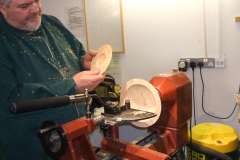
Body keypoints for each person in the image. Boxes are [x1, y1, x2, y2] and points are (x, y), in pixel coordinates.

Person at [0, 0, 106, 159]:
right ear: (3, 8)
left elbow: (75, 55)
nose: (35, 9)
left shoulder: (52, 23)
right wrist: (71, 86)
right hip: (33, 149)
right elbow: (8, 99)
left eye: (36, 1)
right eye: (24, 6)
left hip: (76, 135)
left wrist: (83, 63)